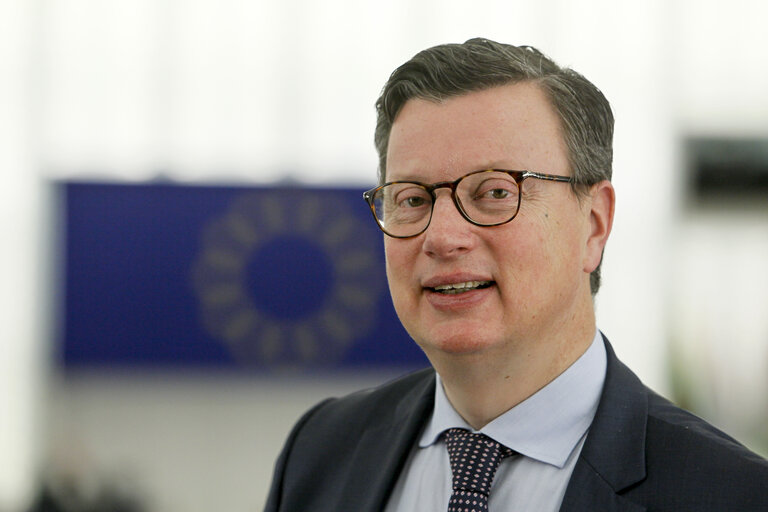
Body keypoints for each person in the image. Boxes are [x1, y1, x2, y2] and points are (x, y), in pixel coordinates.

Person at [264, 38, 768, 511]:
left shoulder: (731, 494)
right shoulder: (321, 451)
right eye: (412, 199)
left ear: (594, 225)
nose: (442, 236)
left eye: (495, 193)